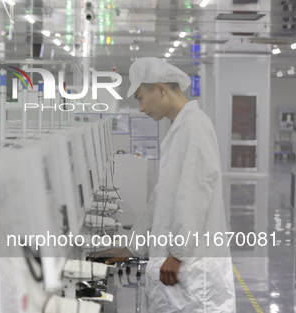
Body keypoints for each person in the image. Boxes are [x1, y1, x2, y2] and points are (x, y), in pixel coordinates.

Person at [94, 57, 236, 312]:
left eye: (139, 97)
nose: (140, 108)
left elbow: (195, 194)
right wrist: (132, 247)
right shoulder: (178, 129)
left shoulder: (195, 127)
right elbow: (162, 198)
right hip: (178, 267)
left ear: (160, 88)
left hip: (191, 271)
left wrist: (178, 254)